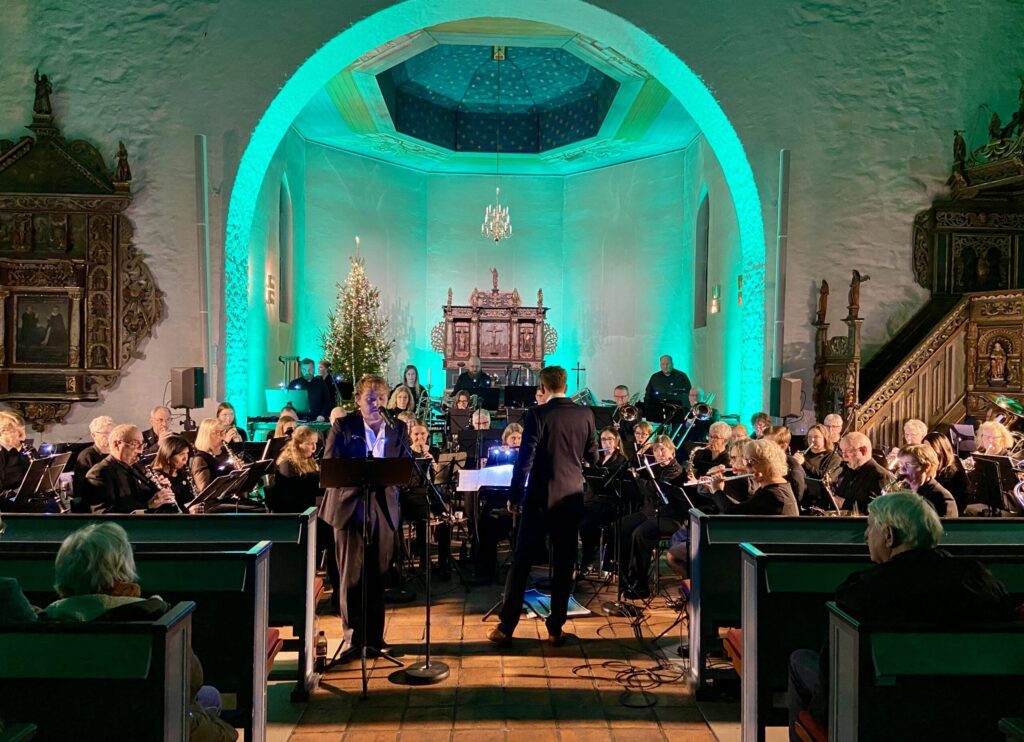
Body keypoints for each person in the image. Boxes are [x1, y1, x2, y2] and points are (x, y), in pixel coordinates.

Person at [787, 493, 1014, 739]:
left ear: (889, 536)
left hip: (883, 718)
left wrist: (823, 714)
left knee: (799, 660)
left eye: (870, 527)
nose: (866, 536)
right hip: (973, 719)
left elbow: (834, 666)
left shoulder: (865, 590)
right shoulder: (980, 580)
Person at [44, 522, 237, 742]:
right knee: (210, 697)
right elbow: (190, 680)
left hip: (74, 725)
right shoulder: (153, 617)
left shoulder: (48, 620)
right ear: (122, 568)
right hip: (143, 724)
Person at [488, 366, 597, 646]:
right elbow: (592, 457)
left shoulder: (537, 414)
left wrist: (515, 495)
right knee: (564, 562)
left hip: (539, 497)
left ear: (543, 387)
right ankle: (555, 629)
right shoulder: (585, 414)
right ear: (566, 385)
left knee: (522, 561)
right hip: (570, 496)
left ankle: (506, 628)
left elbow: (525, 459)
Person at [322, 374, 408, 659]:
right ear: (358, 399)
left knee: (378, 574)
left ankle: (375, 638)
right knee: (351, 576)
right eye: (371, 398)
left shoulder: (397, 427)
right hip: (350, 506)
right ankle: (353, 639)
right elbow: (330, 466)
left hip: (383, 507)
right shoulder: (343, 426)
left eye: (381, 398)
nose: (377, 403)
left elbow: (404, 467)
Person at [267, 425, 341, 614]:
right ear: (298, 444)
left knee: (336, 533)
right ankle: (333, 596)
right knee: (332, 535)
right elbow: (291, 498)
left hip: (310, 514)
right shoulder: (288, 464)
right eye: (310, 444)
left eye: (315, 444)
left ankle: (339, 595)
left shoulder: (308, 461)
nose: (314, 448)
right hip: (296, 521)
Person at [616, 434, 690, 599]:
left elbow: (654, 489)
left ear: (671, 451)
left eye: (663, 450)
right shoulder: (654, 467)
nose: (660, 454)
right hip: (650, 512)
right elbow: (643, 492)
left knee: (640, 533)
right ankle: (625, 577)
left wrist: (639, 479)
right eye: (656, 450)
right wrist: (636, 476)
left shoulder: (676, 470)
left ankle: (641, 584)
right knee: (621, 526)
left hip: (670, 518)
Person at [85, 424, 177, 513]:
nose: (140, 450)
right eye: (135, 444)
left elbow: (143, 496)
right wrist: (148, 505)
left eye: (142, 444)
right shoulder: (98, 474)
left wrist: (159, 490)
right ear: (117, 444)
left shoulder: (137, 466)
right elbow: (103, 513)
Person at [404, 420, 452, 580]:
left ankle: (444, 562)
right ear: (410, 436)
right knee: (423, 517)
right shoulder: (406, 453)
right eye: (416, 434)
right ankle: (424, 563)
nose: (420, 437)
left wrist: (433, 463)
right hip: (413, 495)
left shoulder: (435, 451)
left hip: (431, 493)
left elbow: (440, 479)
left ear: (428, 434)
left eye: (423, 433)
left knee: (446, 516)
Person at [579, 427, 628, 572]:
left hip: (610, 503)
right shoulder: (596, 459)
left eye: (610, 439)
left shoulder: (621, 461)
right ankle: (575, 560)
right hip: (593, 500)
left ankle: (589, 560)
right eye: (603, 440)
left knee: (587, 523)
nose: (607, 443)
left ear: (617, 441)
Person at [709, 438, 799, 515]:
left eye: (750, 462)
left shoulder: (772, 494)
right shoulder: (777, 486)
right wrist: (716, 490)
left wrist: (717, 490)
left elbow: (734, 512)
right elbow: (745, 507)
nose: (748, 468)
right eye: (746, 461)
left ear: (767, 464)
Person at [833, 432, 892, 514]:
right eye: (842, 451)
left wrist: (844, 504)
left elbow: (880, 510)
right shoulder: (847, 472)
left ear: (863, 450)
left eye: (848, 451)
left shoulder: (880, 476)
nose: (844, 456)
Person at [896, 444, 959, 517]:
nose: (902, 469)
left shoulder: (941, 498)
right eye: (901, 464)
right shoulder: (904, 491)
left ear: (927, 467)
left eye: (908, 464)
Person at [72, 415, 115, 509]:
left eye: (111, 433)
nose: (109, 437)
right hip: (96, 503)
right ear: (94, 435)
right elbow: (83, 488)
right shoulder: (86, 456)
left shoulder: (115, 453)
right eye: (105, 433)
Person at [923, 431, 971, 513]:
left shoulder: (955, 472)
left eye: (930, 449)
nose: (926, 453)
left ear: (940, 450)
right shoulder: (927, 466)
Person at [793, 423, 835, 509]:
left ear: (825, 438)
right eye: (809, 437)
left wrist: (804, 463)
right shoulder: (804, 454)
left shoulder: (832, 456)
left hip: (819, 501)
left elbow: (825, 476)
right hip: (800, 497)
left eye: (816, 437)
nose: (812, 440)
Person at [190, 418, 235, 493]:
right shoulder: (201, 459)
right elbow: (204, 491)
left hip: (230, 495)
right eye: (216, 432)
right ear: (206, 436)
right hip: (215, 499)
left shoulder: (226, 452)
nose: (221, 435)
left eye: (222, 431)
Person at [151, 435, 196, 510]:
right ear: (168, 455)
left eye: (187, 453)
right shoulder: (157, 477)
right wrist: (188, 511)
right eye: (181, 454)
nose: (185, 458)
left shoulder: (183, 473)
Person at [764, 425, 807, 504]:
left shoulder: (793, 469)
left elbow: (795, 500)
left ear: (783, 446)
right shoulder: (766, 462)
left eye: (769, 444)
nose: (764, 448)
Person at [643, 355, 691, 419]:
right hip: (659, 412)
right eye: (663, 364)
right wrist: (647, 410)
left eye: (667, 364)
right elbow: (648, 395)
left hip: (679, 412)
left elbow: (689, 394)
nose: (665, 366)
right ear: (660, 365)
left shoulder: (681, 376)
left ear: (672, 364)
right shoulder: (654, 377)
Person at [0, 411, 31, 493]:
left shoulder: (23, 449)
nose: (23, 437)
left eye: (23, 430)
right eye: (18, 432)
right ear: (2, 432)